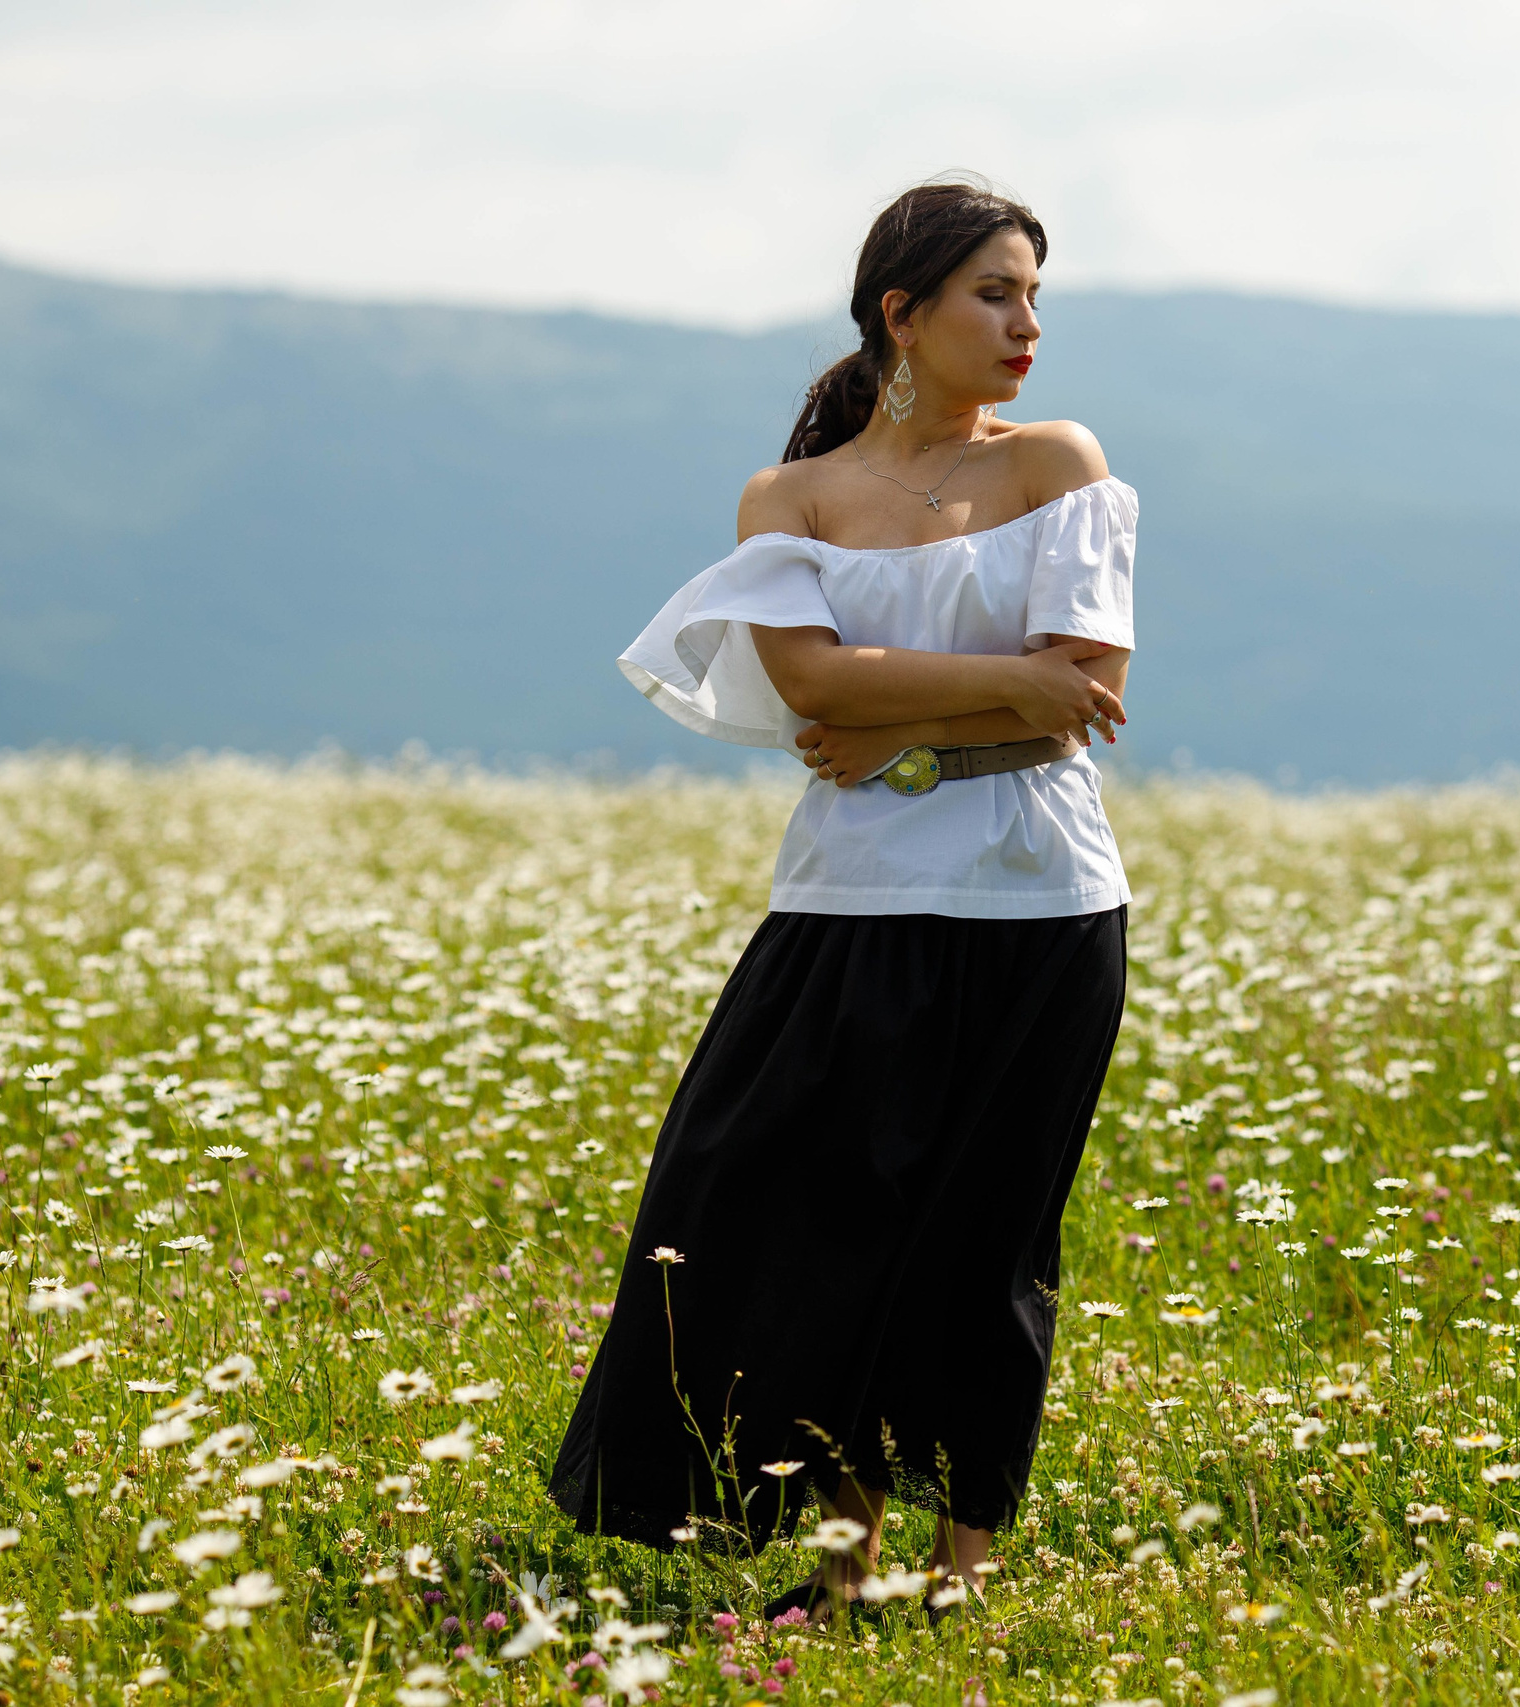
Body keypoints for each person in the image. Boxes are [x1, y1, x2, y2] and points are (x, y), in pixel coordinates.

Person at [546, 178, 1138, 1623]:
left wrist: (906, 732)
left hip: (1041, 908)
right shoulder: (791, 498)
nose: (1028, 327)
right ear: (902, 312)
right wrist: (997, 686)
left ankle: (959, 1573)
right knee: (784, 1219)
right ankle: (836, 1553)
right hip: (845, 902)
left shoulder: (1060, 464)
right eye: (996, 295)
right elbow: (819, 688)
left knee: (984, 1238)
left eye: (1036, 296)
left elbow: (1092, 695)